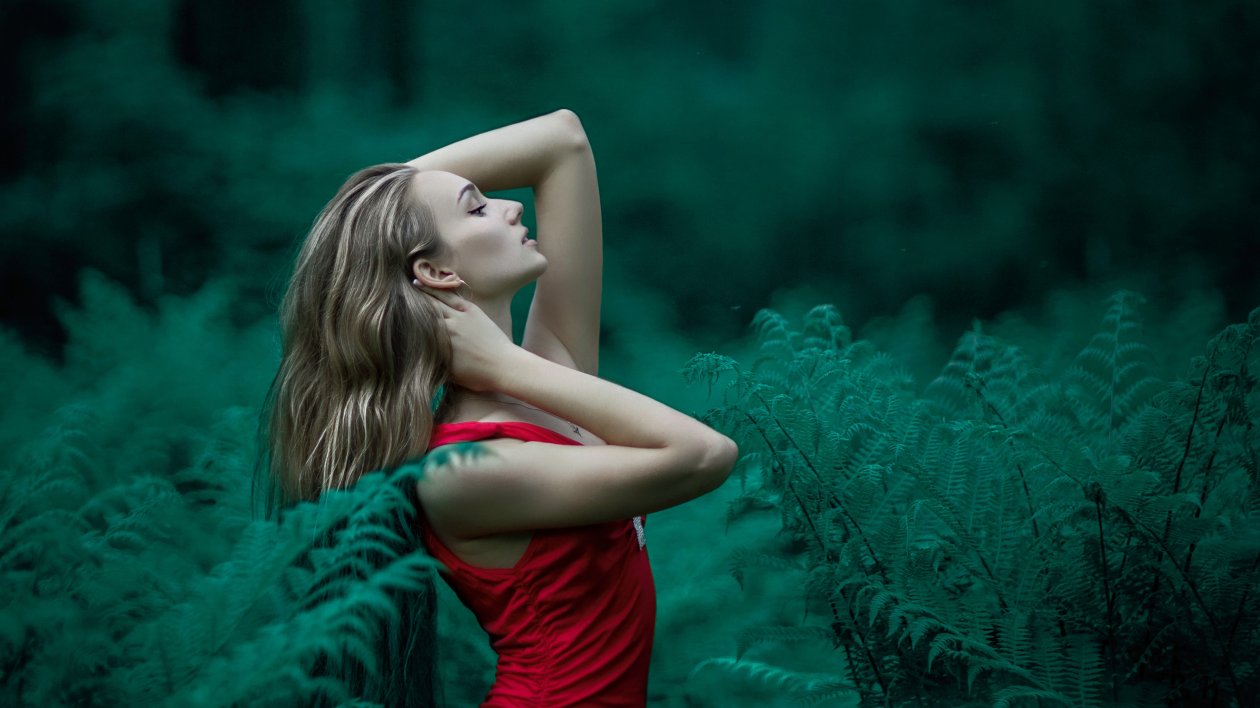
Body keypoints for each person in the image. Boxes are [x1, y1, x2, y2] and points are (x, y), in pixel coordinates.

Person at [260, 109, 738, 706]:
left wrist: (365, 212)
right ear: (434, 270)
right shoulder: (463, 469)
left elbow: (562, 141)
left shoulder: (544, 382)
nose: (512, 207)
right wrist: (506, 364)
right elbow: (705, 456)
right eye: (478, 207)